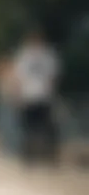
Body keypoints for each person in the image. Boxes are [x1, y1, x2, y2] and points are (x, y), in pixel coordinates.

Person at [14, 30, 61, 166]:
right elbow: (18, 79)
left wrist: (51, 93)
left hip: (42, 96)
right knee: (29, 128)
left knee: (45, 127)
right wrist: (18, 96)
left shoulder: (47, 55)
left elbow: (53, 77)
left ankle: (48, 156)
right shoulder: (24, 55)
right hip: (29, 96)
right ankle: (29, 157)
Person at [0, 54, 20, 157]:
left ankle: (12, 148)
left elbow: (15, 88)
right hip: (3, 102)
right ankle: (7, 148)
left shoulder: (12, 73)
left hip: (10, 102)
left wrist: (16, 99)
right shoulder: (1, 74)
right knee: (5, 125)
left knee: (11, 126)